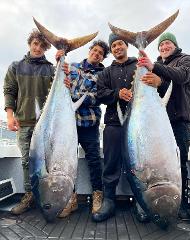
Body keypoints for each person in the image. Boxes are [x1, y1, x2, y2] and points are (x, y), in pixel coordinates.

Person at [92, 33, 152, 224]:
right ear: (111, 50)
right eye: (114, 46)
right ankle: (109, 200)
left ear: (126, 46)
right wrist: (117, 93)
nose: (117, 47)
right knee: (110, 163)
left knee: (141, 165)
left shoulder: (138, 65)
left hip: (139, 125)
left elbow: (152, 86)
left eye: (120, 44)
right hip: (113, 124)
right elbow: (99, 94)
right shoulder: (105, 73)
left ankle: (141, 201)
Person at [138, 32, 190, 219]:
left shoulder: (186, 60)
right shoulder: (156, 66)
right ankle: (148, 204)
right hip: (157, 123)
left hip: (179, 120)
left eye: (168, 43)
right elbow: (157, 88)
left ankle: (182, 204)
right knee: (151, 164)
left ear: (175, 45)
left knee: (179, 164)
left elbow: (181, 77)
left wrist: (155, 69)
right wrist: (155, 78)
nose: (164, 47)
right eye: (161, 45)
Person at [55, 40, 109, 218]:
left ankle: (97, 195)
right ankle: (71, 199)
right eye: (94, 50)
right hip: (68, 124)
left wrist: (74, 94)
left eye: (100, 53)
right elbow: (59, 83)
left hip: (89, 124)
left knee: (94, 161)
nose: (96, 54)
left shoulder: (103, 74)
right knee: (67, 162)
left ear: (103, 57)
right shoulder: (73, 67)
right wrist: (59, 61)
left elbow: (96, 98)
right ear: (90, 50)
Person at [3, 29, 54, 215]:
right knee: (26, 162)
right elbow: (9, 90)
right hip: (24, 123)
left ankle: (44, 196)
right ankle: (29, 195)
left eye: (42, 45)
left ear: (46, 48)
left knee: (46, 162)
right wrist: (9, 116)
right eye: (35, 43)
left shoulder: (51, 68)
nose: (38, 48)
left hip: (45, 126)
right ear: (30, 43)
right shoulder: (16, 66)